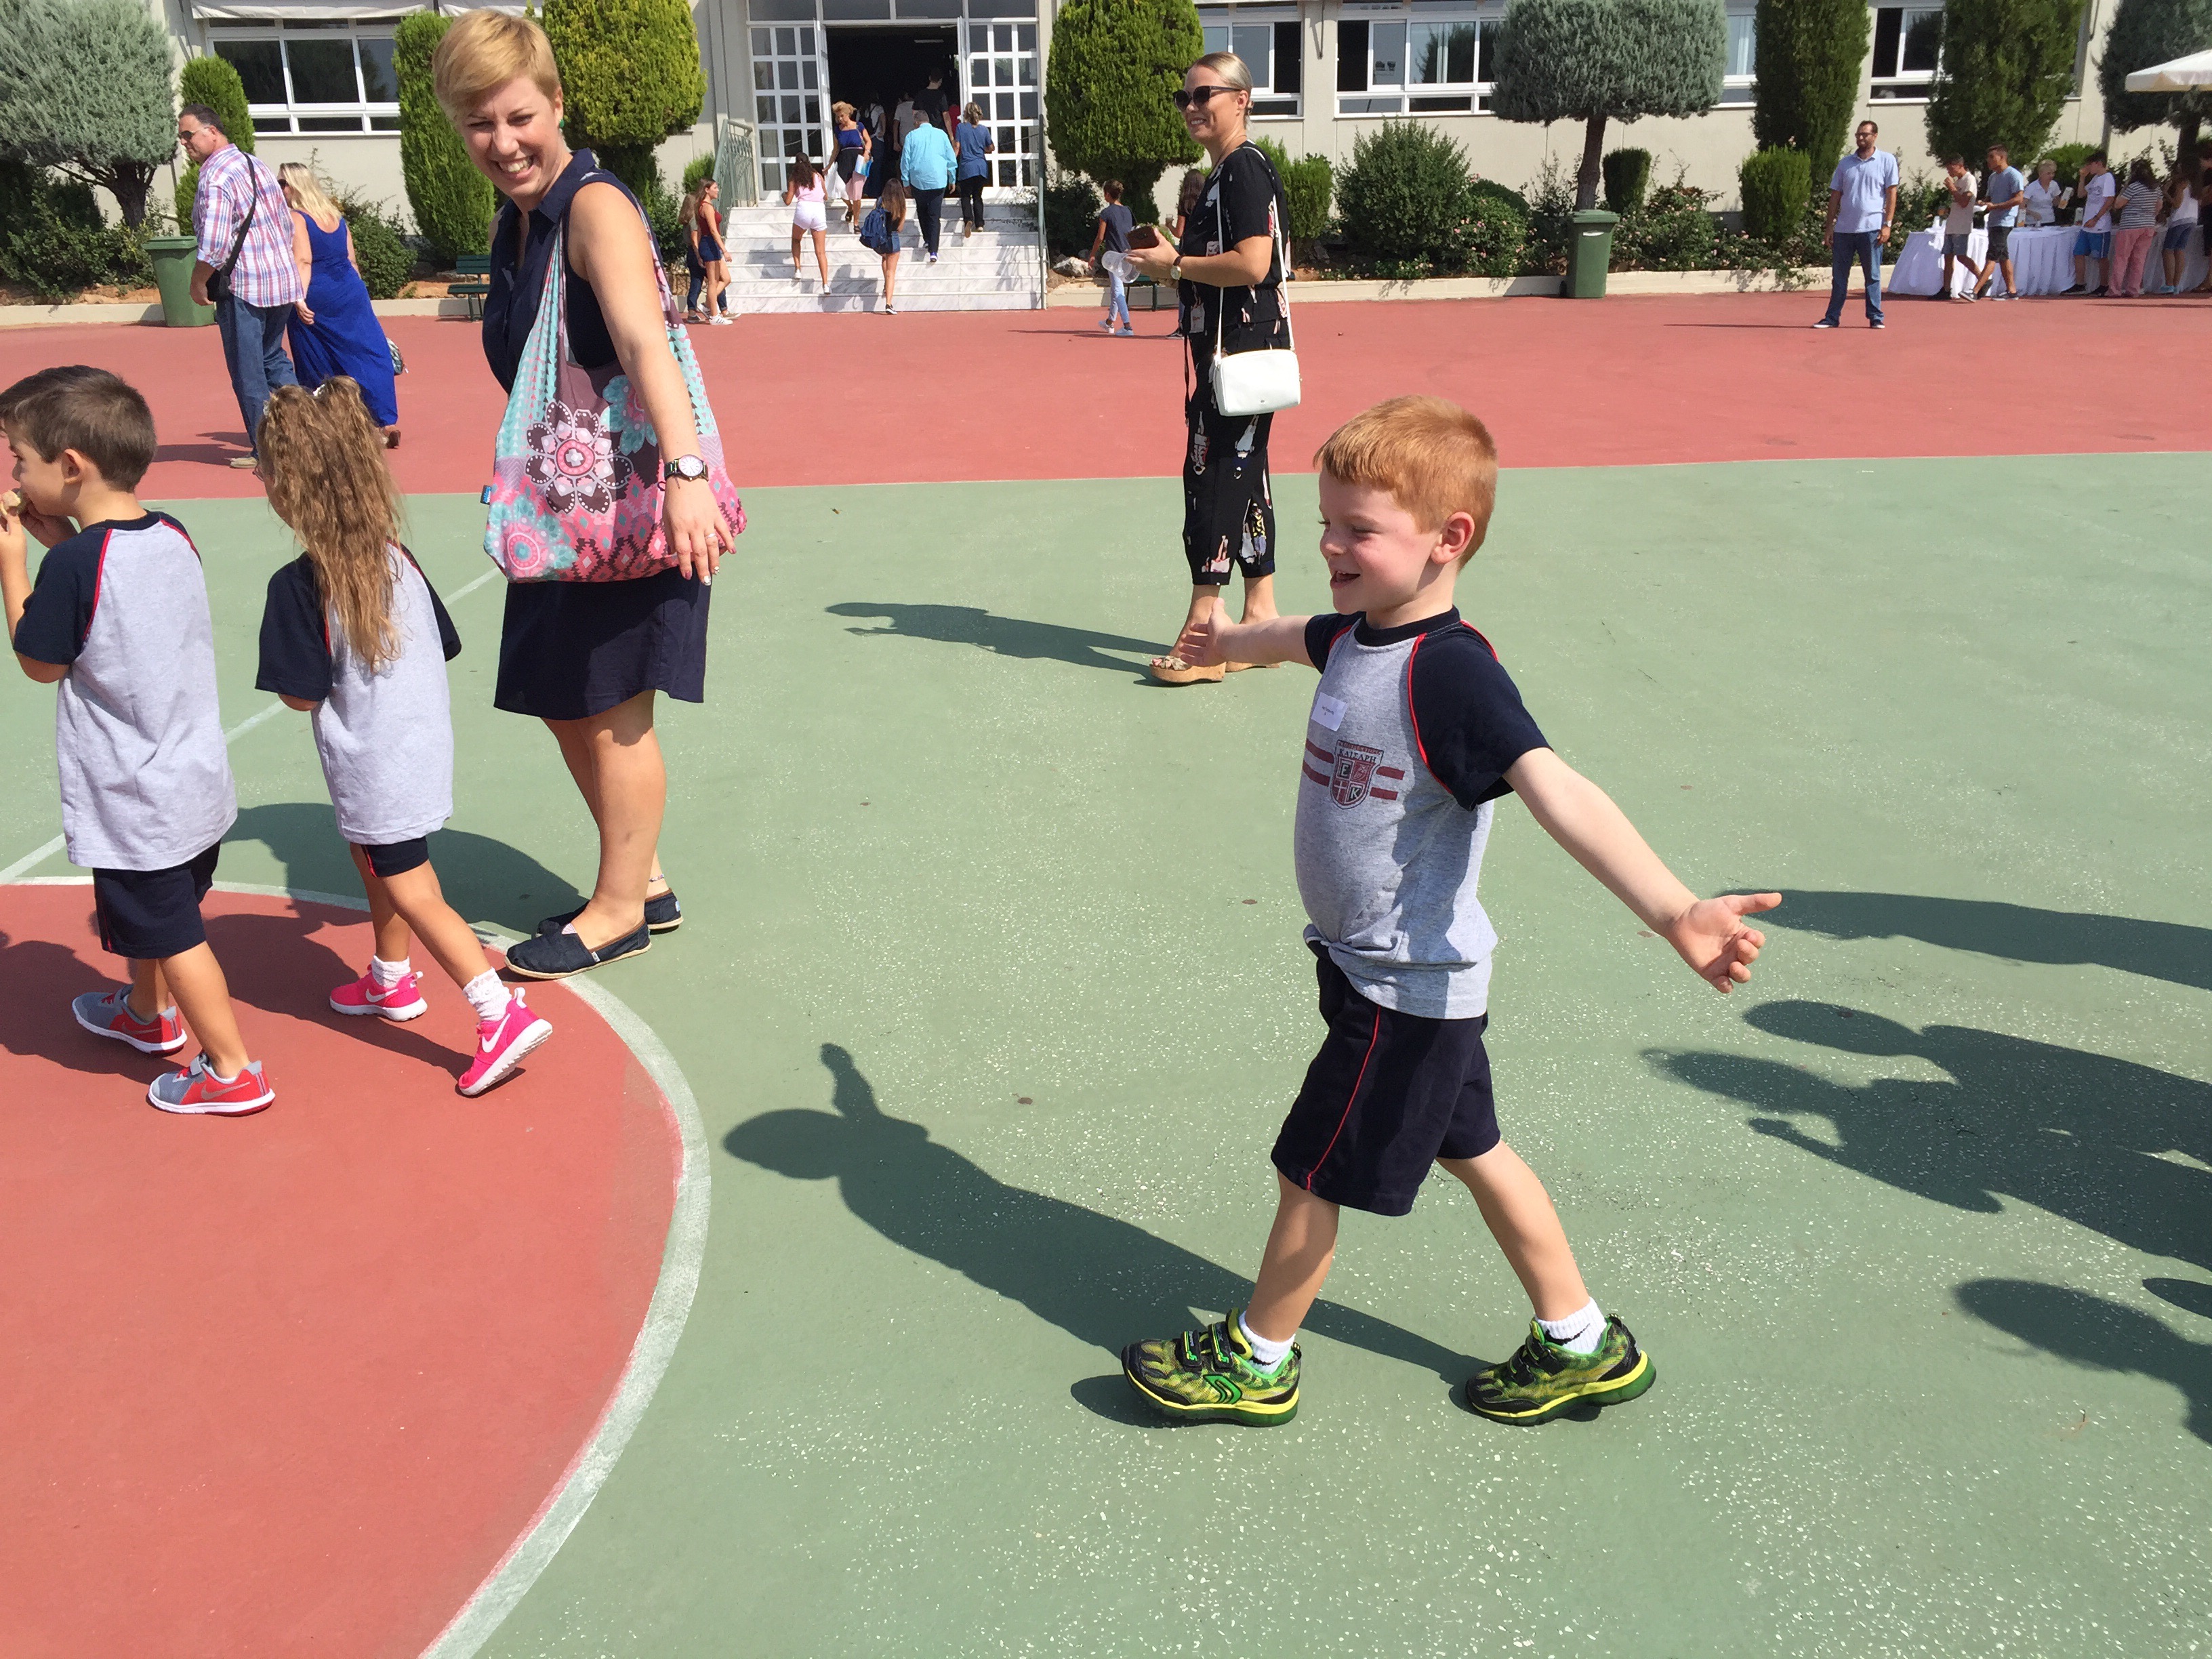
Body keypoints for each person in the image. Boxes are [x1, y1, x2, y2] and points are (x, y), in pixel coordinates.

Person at [1119, 395, 1780, 1427]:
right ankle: (1581, 1340)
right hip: (1377, 974)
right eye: (1326, 522)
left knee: (1310, 1172)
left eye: (1359, 530)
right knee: (1476, 1150)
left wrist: (1675, 912)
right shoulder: (1363, 634)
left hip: (1404, 994)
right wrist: (1228, 643)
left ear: (1448, 539)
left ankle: (1258, 1357)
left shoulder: (1452, 673)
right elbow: (1294, 635)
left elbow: (1557, 788)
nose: (1329, 545)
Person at [434, 10, 737, 980]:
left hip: (629, 509)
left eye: (519, 116)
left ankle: (620, 910)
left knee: (612, 712)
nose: (503, 142)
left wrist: (686, 476)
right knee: (566, 700)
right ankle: (643, 879)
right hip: (563, 513)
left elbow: (648, 344)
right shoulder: (521, 220)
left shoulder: (593, 208)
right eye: (479, 125)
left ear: (557, 104)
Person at [252, 380, 555, 1096]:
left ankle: (497, 1011)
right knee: (377, 863)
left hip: (373, 763)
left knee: (414, 889)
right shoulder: (397, 558)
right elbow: (443, 645)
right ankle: (390, 977)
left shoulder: (301, 585)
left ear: (288, 489)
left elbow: (300, 695)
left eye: (265, 470)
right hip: (418, 748)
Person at [0, 367, 272, 1115]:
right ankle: (146, 1014)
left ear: (70, 466)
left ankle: (232, 1070)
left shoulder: (73, 565)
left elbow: (39, 660)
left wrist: (16, 567)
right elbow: (117, 614)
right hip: (193, 781)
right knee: (161, 917)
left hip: (135, 797)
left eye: (19, 459)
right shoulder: (170, 532)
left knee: (175, 934)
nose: (15, 475)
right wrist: (62, 545)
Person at [1124, 52, 1291, 684]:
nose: (1191, 107)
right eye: (1184, 98)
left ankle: (1205, 630)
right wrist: (1172, 263)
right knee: (1246, 474)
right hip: (1236, 350)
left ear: (1241, 100)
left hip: (1238, 352)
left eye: (1204, 96)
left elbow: (1253, 263)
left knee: (1213, 473)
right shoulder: (1228, 173)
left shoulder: (1243, 168)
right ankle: (1261, 621)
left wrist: (1175, 265)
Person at [178, 102, 302, 468]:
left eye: (188, 135)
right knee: (272, 358)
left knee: (248, 370)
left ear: (212, 131)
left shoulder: (215, 176)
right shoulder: (254, 164)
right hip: (279, 280)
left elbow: (214, 243)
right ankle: (304, 432)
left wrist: (198, 282)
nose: (184, 143)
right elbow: (285, 223)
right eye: (181, 137)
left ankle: (266, 450)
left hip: (243, 286)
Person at [277, 163, 402, 441]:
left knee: (315, 356)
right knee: (368, 352)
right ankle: (383, 421)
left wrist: (298, 298)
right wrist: (359, 294)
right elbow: (351, 260)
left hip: (317, 293)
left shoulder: (297, 217)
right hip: (349, 290)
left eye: (282, 183)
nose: (278, 189)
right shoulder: (335, 216)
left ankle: (325, 420)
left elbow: (303, 260)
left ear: (295, 186)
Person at [1814, 120, 1897, 329]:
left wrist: (1887, 224)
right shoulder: (1845, 164)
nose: (1860, 138)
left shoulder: (1886, 160)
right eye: (1858, 135)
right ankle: (1832, 317)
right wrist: (1830, 226)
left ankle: (1876, 317)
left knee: (1873, 276)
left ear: (1875, 136)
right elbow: (1835, 195)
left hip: (1872, 228)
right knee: (1839, 277)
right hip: (1844, 230)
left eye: (1865, 135)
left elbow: (1891, 194)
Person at [899, 108, 955, 263]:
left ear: (917, 122)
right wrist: (952, 178)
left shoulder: (911, 136)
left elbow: (906, 160)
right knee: (934, 216)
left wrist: (905, 181)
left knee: (922, 211)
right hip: (938, 179)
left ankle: (928, 239)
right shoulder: (942, 134)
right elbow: (950, 158)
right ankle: (934, 251)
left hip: (918, 180)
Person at [1971, 145, 2024, 300]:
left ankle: (1975, 291)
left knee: (1992, 256)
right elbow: (1990, 198)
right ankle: (2012, 291)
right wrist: (1983, 202)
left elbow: (2019, 198)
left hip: (2005, 221)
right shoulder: (1993, 177)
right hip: (1994, 221)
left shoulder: (2014, 175)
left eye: (1991, 157)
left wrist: (1996, 207)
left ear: (2001, 157)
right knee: (2003, 257)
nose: (1988, 161)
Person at [1088, 179, 1136, 337]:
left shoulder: (1106, 213)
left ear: (1108, 194)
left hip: (1114, 257)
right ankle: (1110, 322)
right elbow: (1132, 230)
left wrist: (1093, 254)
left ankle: (1128, 326)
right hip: (1128, 254)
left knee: (1118, 290)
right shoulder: (1128, 211)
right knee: (1116, 289)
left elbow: (1100, 237)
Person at [2109, 157, 2162, 298]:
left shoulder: (2133, 187)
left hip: (2130, 225)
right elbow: (2159, 206)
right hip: (2148, 226)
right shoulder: (2156, 188)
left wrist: (2124, 188)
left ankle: (2115, 290)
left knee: (2121, 258)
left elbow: (2118, 204)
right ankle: (2133, 289)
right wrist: (2150, 216)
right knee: (2139, 259)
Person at [2062, 152, 2114, 295]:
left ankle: (2104, 285)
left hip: (2100, 225)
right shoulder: (2096, 178)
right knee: (2078, 253)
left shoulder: (2107, 178)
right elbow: (2081, 194)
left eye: (2090, 164)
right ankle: (2080, 284)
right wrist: (2082, 178)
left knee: (2101, 256)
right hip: (2087, 224)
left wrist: (2096, 218)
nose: (2088, 167)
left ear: (2098, 164)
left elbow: (2110, 200)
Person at [681, 178, 731, 325]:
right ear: (707, 190)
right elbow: (713, 231)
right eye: (715, 188)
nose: (717, 190)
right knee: (713, 282)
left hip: (709, 244)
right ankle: (714, 316)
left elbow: (700, 231)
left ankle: (707, 305)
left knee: (726, 278)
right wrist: (724, 250)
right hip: (710, 244)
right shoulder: (706, 207)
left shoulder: (702, 206)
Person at [1935, 156, 1984, 300]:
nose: (1948, 172)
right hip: (1952, 224)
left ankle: (1983, 279)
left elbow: (1964, 202)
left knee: (1961, 256)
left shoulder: (1969, 180)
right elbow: (1958, 203)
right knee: (1948, 256)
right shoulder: (1958, 181)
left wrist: (1952, 188)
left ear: (1959, 165)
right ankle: (1946, 289)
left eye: (1950, 168)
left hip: (1962, 226)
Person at [858, 179, 907, 314]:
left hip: (880, 240)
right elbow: (900, 228)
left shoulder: (880, 201)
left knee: (885, 258)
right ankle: (889, 303)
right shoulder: (901, 204)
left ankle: (886, 285)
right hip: (893, 239)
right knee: (891, 272)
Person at [785, 155, 832, 288]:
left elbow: (788, 201)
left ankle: (798, 269)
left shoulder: (794, 178)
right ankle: (825, 284)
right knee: (821, 252)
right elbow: (826, 196)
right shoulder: (818, 176)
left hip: (804, 209)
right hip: (819, 210)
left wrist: (784, 195)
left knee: (796, 240)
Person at [954, 102, 994, 234]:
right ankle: (980, 224)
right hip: (981, 167)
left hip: (967, 167)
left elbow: (957, 146)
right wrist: (984, 149)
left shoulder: (961, 127)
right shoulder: (984, 130)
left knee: (965, 195)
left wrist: (952, 162)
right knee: (978, 196)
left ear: (966, 114)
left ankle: (968, 220)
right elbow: (991, 147)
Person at [2159, 164, 2199, 294]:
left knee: (2168, 250)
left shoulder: (2181, 184)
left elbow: (2177, 204)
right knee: (2180, 250)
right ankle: (2176, 285)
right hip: (2192, 218)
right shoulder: (2196, 184)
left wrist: (2165, 193)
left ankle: (2169, 284)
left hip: (2180, 219)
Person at [831, 102, 872, 224]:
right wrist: (829, 165)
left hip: (859, 160)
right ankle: (850, 207)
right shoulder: (838, 130)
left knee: (857, 193)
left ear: (848, 114)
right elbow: (836, 149)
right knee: (839, 188)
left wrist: (866, 152)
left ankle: (856, 222)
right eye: (838, 116)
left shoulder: (858, 126)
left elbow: (868, 141)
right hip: (844, 161)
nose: (840, 119)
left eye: (842, 116)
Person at [2020, 159, 2068, 228]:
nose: (2051, 176)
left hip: (2050, 220)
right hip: (2034, 222)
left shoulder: (2054, 185)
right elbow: (2021, 206)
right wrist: (2032, 213)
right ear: (2040, 174)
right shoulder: (2032, 187)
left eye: (2053, 173)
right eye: (2048, 173)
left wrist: (2066, 196)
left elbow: (2059, 205)